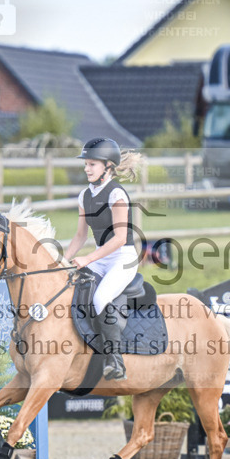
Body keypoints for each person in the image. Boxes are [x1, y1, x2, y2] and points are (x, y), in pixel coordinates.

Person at [64, 137, 143, 381]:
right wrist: (60, 261)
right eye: (86, 164)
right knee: (71, 289)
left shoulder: (116, 193)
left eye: (92, 165)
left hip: (123, 257)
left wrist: (88, 259)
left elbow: (120, 238)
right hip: (101, 256)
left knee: (99, 298)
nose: (87, 169)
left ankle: (115, 361)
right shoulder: (84, 196)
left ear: (108, 167)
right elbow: (79, 236)